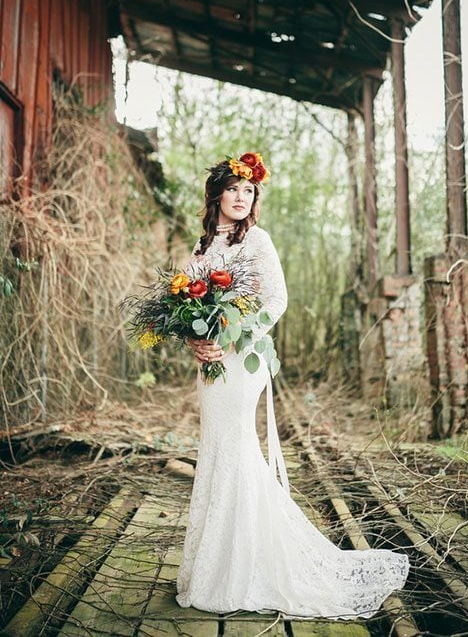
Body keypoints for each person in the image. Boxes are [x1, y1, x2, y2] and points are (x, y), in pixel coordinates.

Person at [176, 152, 409, 619]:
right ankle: (215, 564)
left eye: (249, 191)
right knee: (216, 448)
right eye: (233, 189)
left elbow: (277, 299)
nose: (241, 197)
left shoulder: (258, 242)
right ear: (216, 194)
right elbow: (185, 309)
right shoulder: (199, 251)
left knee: (237, 446)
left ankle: (249, 568)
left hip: (243, 360)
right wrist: (195, 342)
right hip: (211, 365)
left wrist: (235, 335)